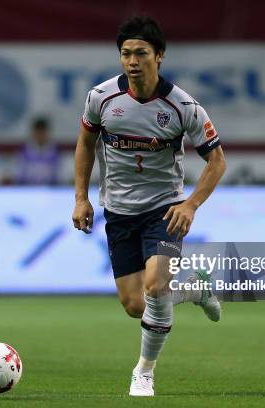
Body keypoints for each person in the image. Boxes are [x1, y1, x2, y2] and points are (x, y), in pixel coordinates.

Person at [71, 16, 227, 397]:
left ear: (159, 57)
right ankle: (195, 292)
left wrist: (190, 206)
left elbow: (217, 161)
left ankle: (144, 371)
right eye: (125, 54)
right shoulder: (101, 98)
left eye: (141, 53)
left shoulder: (183, 106)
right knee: (134, 304)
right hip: (119, 214)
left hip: (167, 212)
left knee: (156, 287)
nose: (132, 61)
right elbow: (85, 144)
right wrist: (80, 197)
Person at [14, 117, 61, 185]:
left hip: (50, 191)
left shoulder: (55, 153)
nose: (40, 135)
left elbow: (59, 176)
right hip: (27, 190)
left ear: (47, 133)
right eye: (38, 132)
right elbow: (19, 175)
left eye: (43, 132)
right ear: (33, 133)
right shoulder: (24, 152)